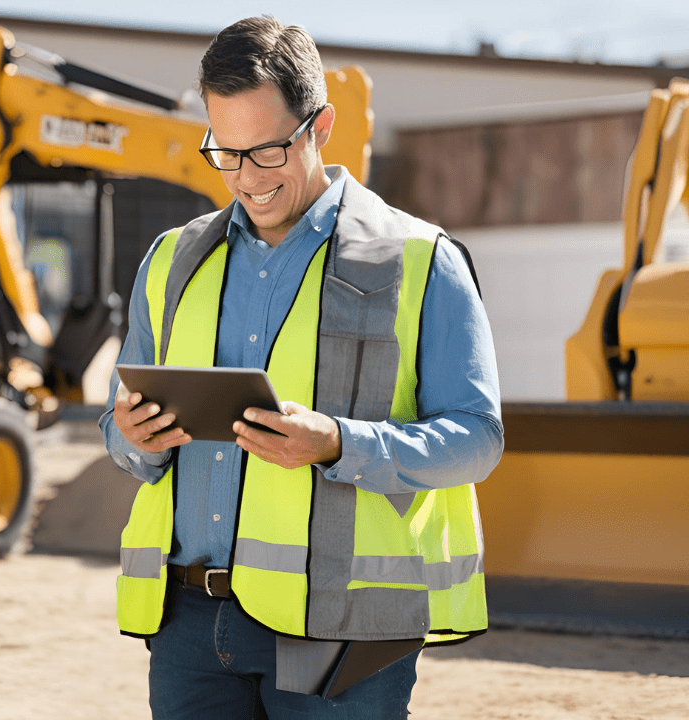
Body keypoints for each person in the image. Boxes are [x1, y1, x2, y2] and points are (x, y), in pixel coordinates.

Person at [100, 15, 503, 719]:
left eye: (267, 151)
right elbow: (119, 424)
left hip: (340, 634)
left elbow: (477, 439)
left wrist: (341, 444)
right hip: (189, 624)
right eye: (225, 153)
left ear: (320, 127)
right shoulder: (170, 263)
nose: (246, 179)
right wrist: (131, 438)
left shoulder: (420, 260)